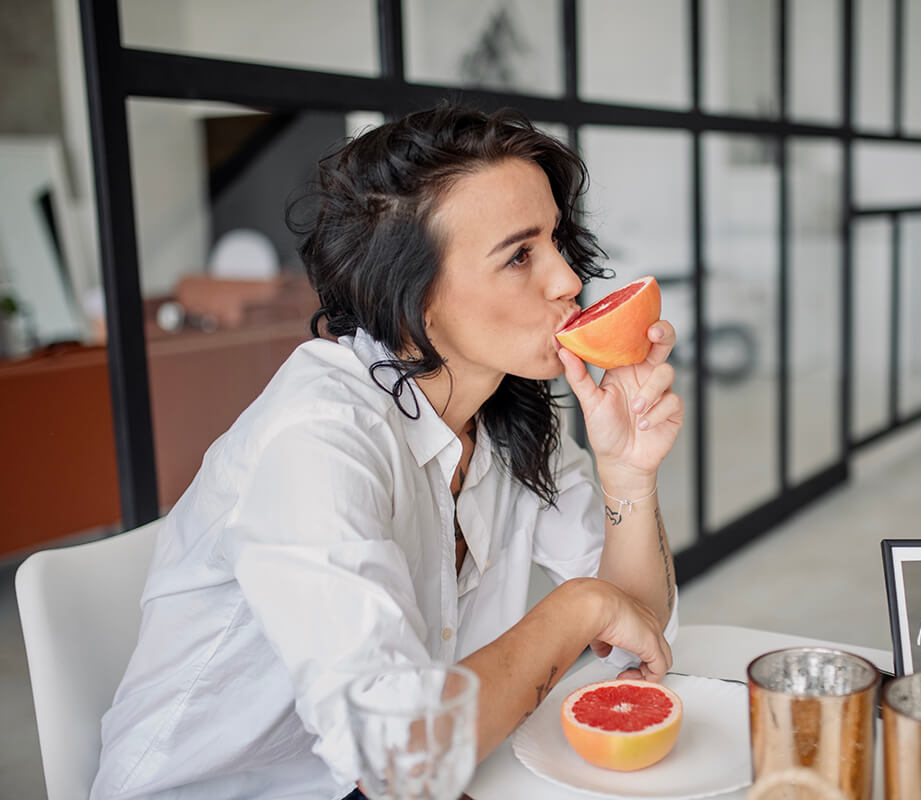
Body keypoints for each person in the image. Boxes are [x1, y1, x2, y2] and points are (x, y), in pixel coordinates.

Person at [90, 103, 682, 800]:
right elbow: (400, 755)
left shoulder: (501, 412)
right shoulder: (317, 438)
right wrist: (578, 607)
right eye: (519, 255)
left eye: (554, 240)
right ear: (414, 297)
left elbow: (644, 630)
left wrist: (628, 474)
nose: (568, 281)